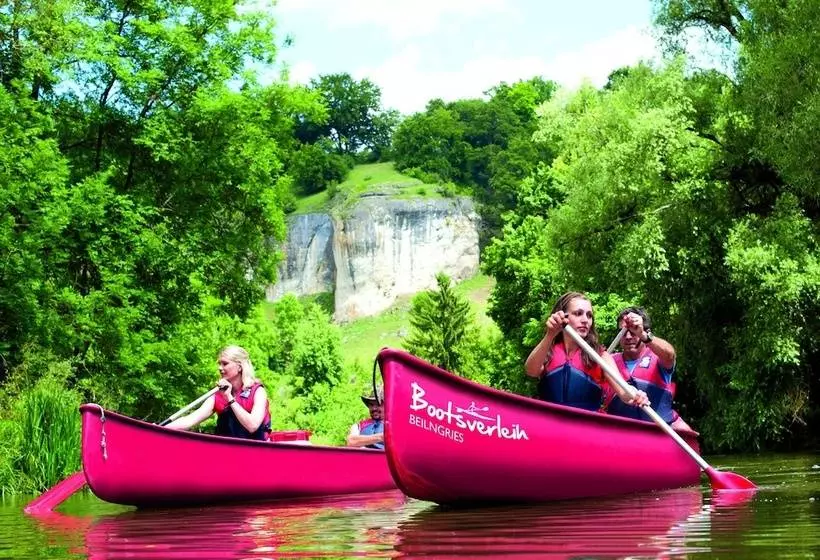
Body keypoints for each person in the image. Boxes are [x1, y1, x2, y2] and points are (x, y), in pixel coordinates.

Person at [525, 292, 649, 411]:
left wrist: (636, 394)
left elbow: (624, 392)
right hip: (549, 424)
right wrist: (550, 334)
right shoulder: (548, 349)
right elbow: (531, 371)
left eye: (589, 315)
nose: (585, 320)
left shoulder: (601, 356)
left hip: (585, 427)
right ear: (564, 317)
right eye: (578, 313)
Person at [606, 307, 693, 431]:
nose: (629, 336)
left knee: (684, 430)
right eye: (624, 332)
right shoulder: (607, 360)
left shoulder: (659, 357)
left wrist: (643, 335)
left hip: (658, 431)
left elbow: (670, 355)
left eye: (633, 331)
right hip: (619, 433)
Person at [165, 345, 272, 440]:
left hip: (254, 452)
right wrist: (159, 428)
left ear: (239, 367)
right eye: (219, 364)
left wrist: (229, 398)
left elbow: (252, 426)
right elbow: (190, 420)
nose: (220, 368)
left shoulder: (258, 392)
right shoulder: (217, 395)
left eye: (225, 364)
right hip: (227, 452)